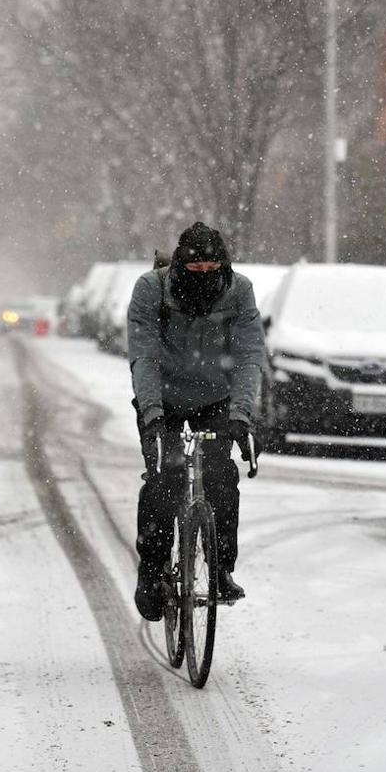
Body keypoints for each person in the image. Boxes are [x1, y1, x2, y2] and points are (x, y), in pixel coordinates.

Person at [126, 221, 264, 621]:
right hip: (164, 398)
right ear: (178, 269)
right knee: (164, 477)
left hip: (216, 398)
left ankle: (220, 569)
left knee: (222, 476)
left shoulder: (239, 291)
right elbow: (145, 355)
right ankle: (152, 571)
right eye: (194, 271)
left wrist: (241, 415)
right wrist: (152, 415)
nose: (204, 278)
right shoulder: (150, 289)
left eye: (211, 270)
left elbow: (249, 356)